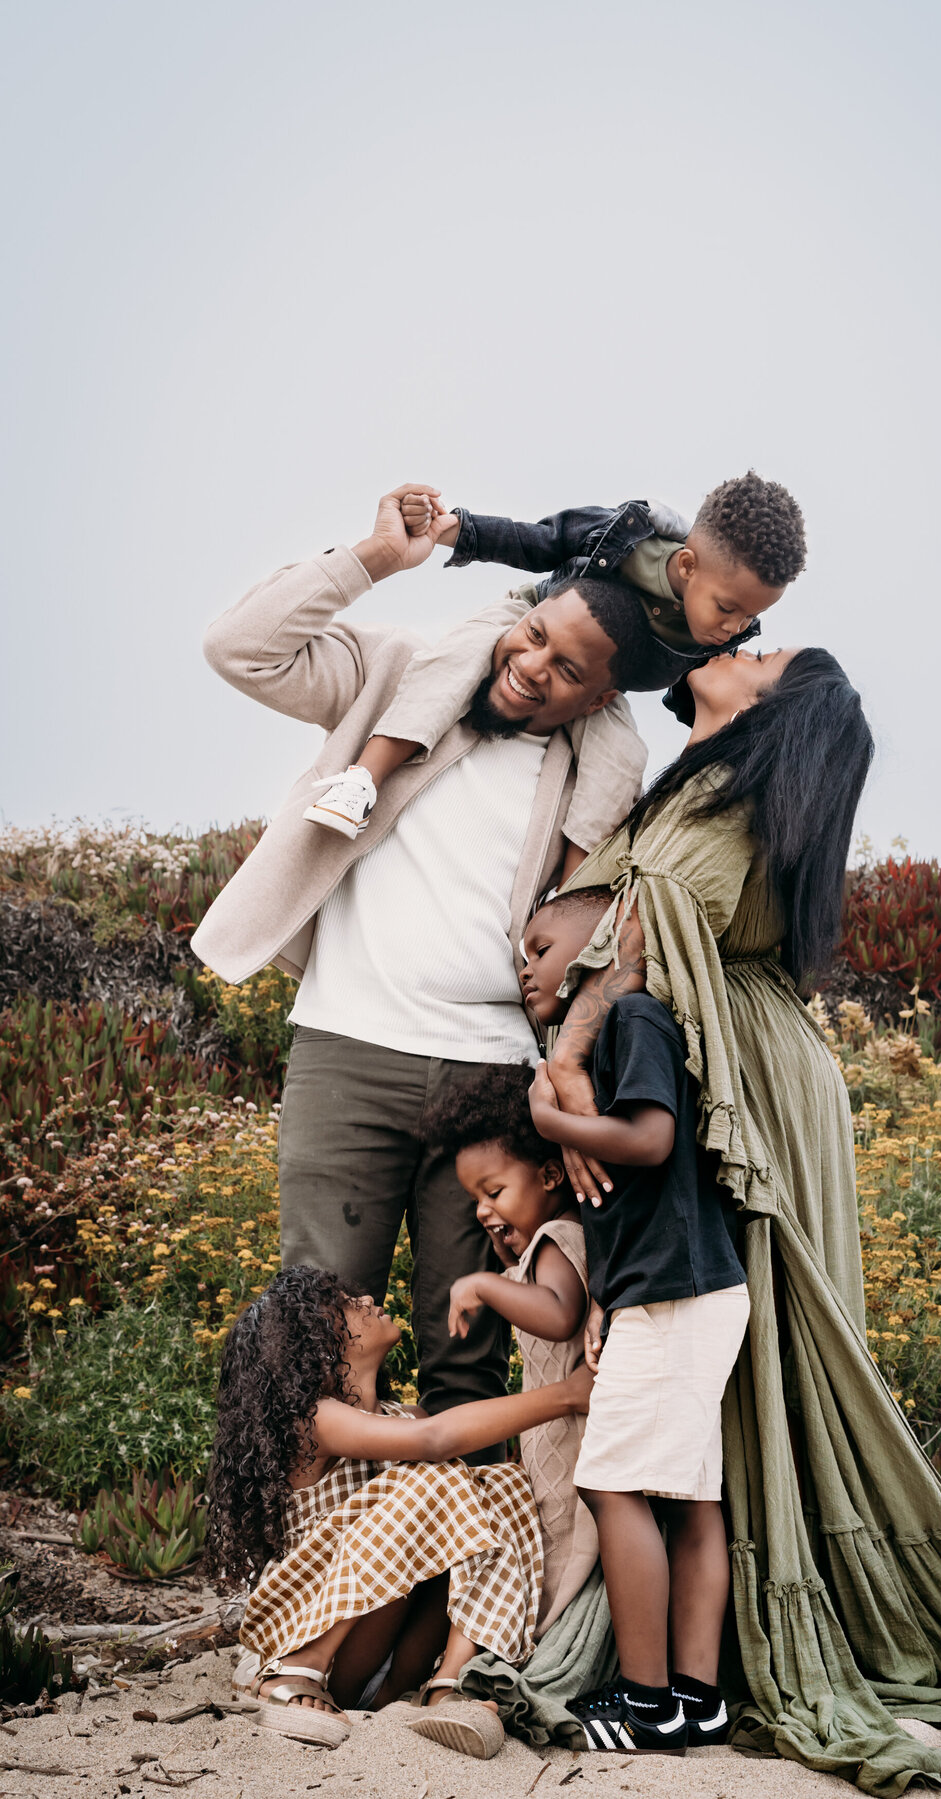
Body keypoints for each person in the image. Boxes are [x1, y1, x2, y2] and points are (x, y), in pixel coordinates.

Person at [463, 644, 941, 1788]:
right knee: (699, 1441)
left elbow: (651, 932)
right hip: (722, 1069)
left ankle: (677, 1683)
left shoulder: (732, 803)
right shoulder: (690, 772)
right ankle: (690, 1677)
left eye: (761, 655)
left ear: (776, 708)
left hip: (744, 1071)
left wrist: (560, 1073)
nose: (737, 648)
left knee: (725, 1391)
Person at [191, 482, 656, 1435]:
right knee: (315, 1330)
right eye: (531, 639)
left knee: (468, 1355)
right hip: (347, 1049)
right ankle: (321, 1573)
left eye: (567, 671)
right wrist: (373, 559)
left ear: (602, 696)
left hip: (491, 1074)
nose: (531, 670)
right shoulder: (401, 670)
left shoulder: (598, 775)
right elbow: (238, 648)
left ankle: (460, 1581)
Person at [516, 886, 750, 1756]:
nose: (526, 965)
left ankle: (649, 1703)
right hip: (675, 1286)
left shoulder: (636, 1017)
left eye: (540, 944)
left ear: (604, 931)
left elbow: (651, 1141)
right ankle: (699, 1698)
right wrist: (609, 1292)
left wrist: (551, 1116)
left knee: (614, 1483)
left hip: (680, 1292)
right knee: (690, 1496)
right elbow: (634, 1200)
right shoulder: (620, 1029)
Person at [206, 1264, 593, 1759]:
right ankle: (298, 1665)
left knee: (496, 1484)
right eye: (344, 1303)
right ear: (319, 1348)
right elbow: (434, 1442)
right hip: (327, 1651)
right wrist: (565, 1394)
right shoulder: (311, 1421)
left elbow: (439, 1438)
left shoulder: (399, 1416)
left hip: (392, 1661)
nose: (365, 1298)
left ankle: (446, 1684)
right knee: (433, 1472)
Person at [301, 472, 806, 842]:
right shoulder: (626, 536)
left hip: (597, 687)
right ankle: (361, 781)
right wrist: (452, 528)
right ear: (689, 566)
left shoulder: (717, 640)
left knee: (623, 759)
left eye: (749, 618)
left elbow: (696, 704)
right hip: (531, 623)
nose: (734, 628)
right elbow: (537, 541)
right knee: (449, 666)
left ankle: (568, 899)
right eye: (728, 608)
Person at [423, 1062, 596, 1637]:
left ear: (550, 1175)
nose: (481, 1211)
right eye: (475, 1198)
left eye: (494, 1192)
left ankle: (557, 1645)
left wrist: (483, 1284)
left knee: (569, 1548)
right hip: (553, 1438)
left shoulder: (559, 1237)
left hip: (574, 1441)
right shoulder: (541, 1246)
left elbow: (560, 1314)